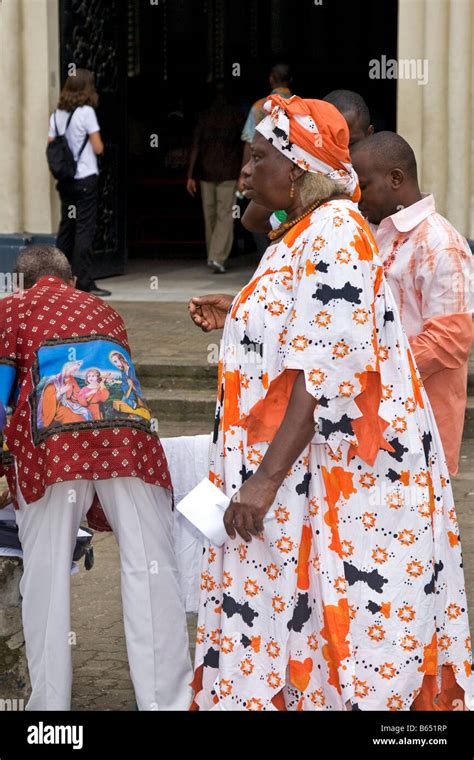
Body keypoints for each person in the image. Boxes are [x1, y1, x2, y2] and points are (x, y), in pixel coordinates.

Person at [187, 95, 473, 711]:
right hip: (300, 473)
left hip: (334, 478)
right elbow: (303, 330)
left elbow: (323, 370)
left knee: (346, 629)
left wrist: (263, 481)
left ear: (294, 169)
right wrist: (237, 315)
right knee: (298, 616)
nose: (244, 169)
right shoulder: (300, 235)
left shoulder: (337, 230)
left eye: (256, 156)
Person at [0, 245, 192, 711]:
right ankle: (168, 703)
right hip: (130, 444)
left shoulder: (10, 307)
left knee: (45, 577)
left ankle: (48, 711)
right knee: (152, 571)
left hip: (52, 450)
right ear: (71, 281)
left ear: (20, 283)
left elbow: (1, 392)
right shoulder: (104, 308)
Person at [352, 132, 473, 476]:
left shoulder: (440, 244)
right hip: (370, 418)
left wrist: (370, 369)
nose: (356, 197)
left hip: (419, 427)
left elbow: (449, 343)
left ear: (395, 179)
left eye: (363, 185)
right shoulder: (369, 231)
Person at [241, 88, 372, 237]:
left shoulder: (337, 226)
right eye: (327, 143)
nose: (340, 156)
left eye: (349, 144)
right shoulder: (301, 199)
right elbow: (252, 220)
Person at [48, 69, 110, 297]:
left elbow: (52, 146)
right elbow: (98, 147)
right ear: (87, 89)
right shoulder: (86, 113)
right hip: (85, 179)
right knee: (84, 229)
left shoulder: (57, 115)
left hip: (65, 181)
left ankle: (56, 277)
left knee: (66, 228)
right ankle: (84, 282)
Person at [186, 81, 243, 274]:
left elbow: (195, 146)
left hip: (206, 172)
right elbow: (244, 144)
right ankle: (217, 257)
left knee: (210, 216)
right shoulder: (235, 115)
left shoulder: (204, 115)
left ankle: (214, 255)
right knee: (224, 215)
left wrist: (190, 175)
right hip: (228, 172)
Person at [238, 63, 293, 256]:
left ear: (271, 79)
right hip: (289, 176)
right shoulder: (301, 105)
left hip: (266, 175)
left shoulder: (259, 107)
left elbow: (248, 140)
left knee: (263, 219)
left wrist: (244, 173)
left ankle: (268, 257)